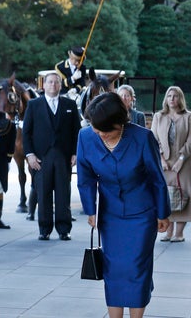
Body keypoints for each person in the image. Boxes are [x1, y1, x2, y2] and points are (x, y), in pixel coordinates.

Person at [77, 92, 170, 318]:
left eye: (104, 130)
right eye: (95, 129)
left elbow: (157, 179)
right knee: (114, 269)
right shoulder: (86, 136)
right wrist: (91, 209)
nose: (99, 134)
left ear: (120, 123)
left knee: (137, 268)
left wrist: (163, 213)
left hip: (142, 215)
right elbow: (85, 176)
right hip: (110, 215)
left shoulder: (142, 138)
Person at [22, 73, 80, 240]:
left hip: (63, 157)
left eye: (56, 82)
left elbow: (76, 131)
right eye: (50, 82)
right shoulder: (34, 105)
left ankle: (64, 229)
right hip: (41, 158)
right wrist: (30, 155)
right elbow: (26, 133)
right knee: (43, 193)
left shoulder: (70, 104)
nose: (53, 85)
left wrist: (76, 153)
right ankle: (44, 229)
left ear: (60, 85)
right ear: (44, 85)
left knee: (63, 194)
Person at [151, 86, 191, 242]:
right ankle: (168, 231)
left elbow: (190, 141)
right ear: (165, 99)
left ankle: (179, 233)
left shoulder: (188, 117)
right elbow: (154, 139)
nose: (172, 99)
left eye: (175, 96)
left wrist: (181, 159)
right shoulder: (158, 116)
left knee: (183, 194)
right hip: (164, 162)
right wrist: (161, 159)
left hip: (184, 162)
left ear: (180, 98)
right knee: (166, 196)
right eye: (169, 96)